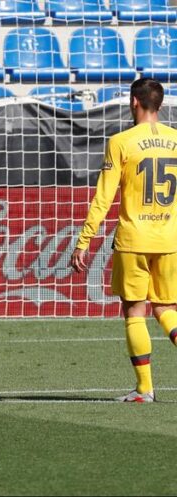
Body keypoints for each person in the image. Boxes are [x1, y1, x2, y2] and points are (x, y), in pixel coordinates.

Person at [71, 78, 177, 403]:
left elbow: (103, 197)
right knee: (166, 307)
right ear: (159, 104)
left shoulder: (120, 141)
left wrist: (84, 240)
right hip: (170, 239)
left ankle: (145, 389)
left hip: (133, 239)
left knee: (135, 310)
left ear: (134, 102)